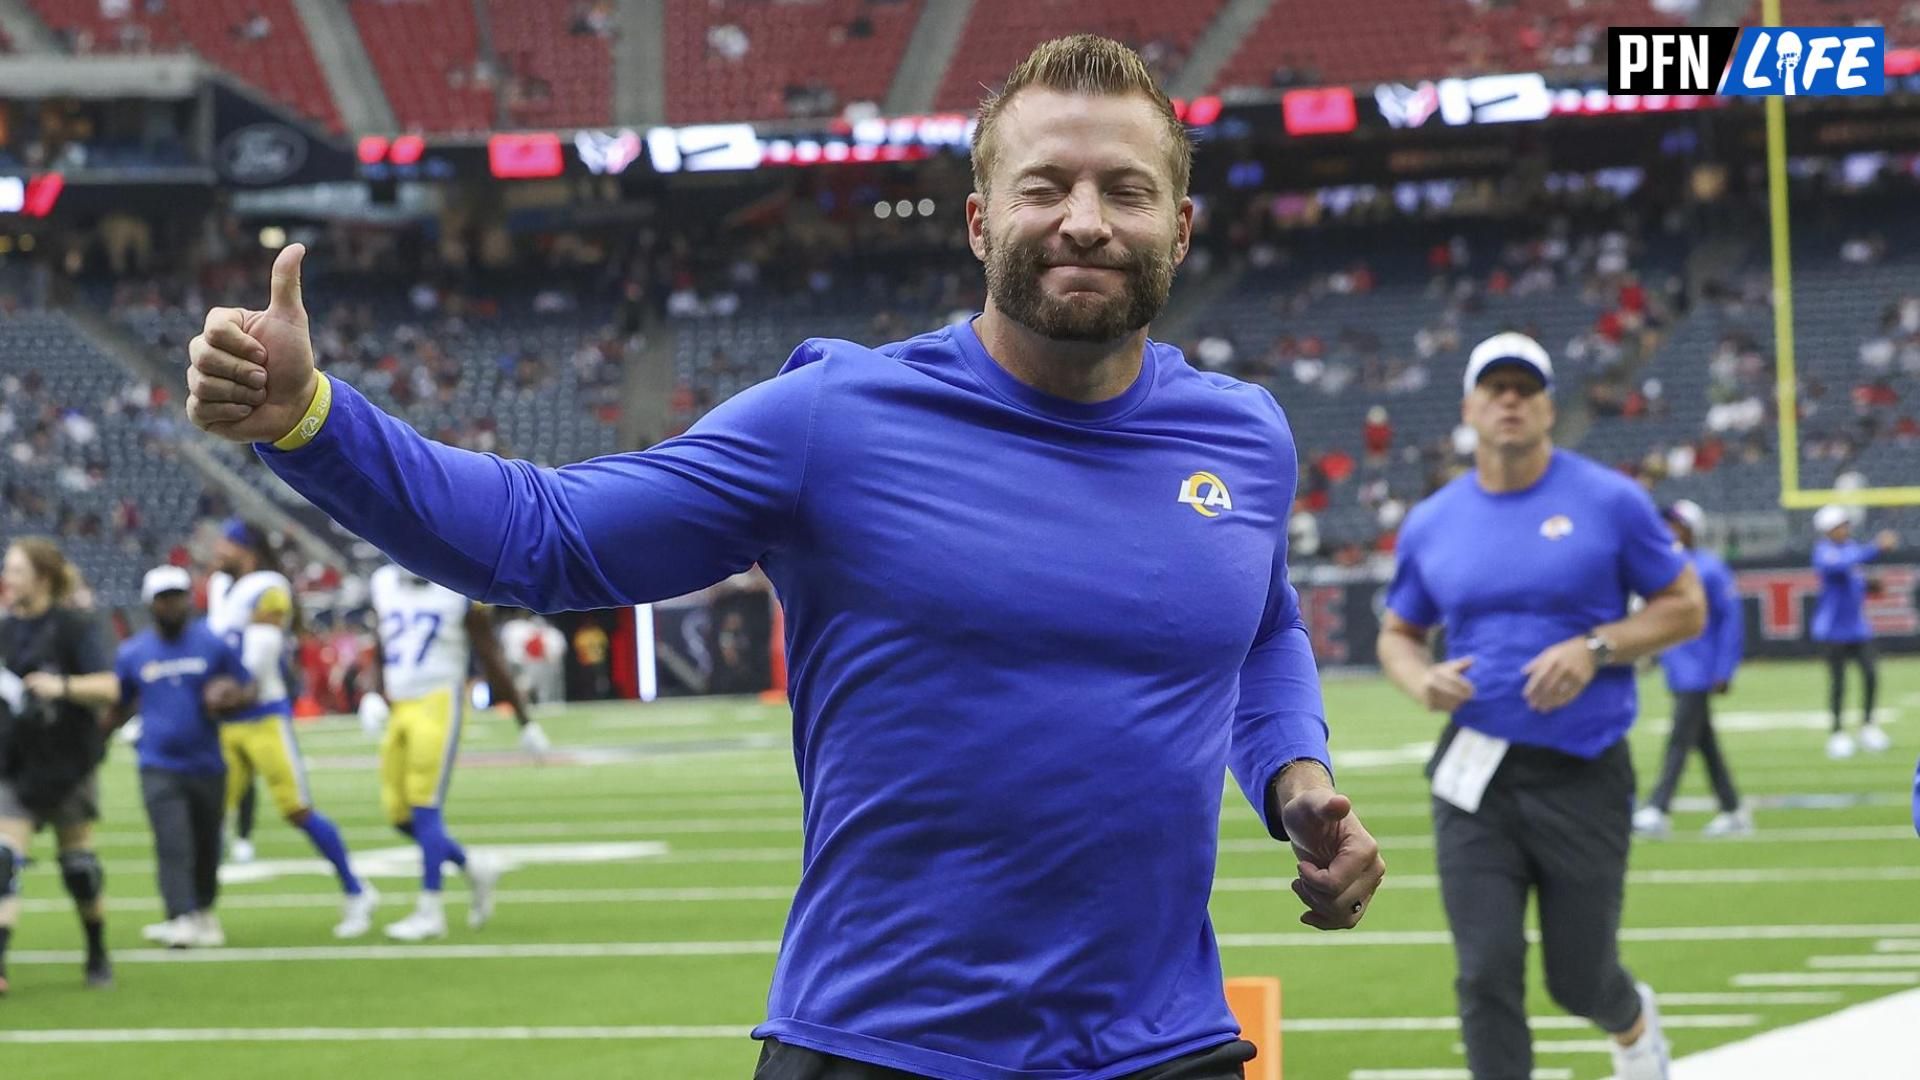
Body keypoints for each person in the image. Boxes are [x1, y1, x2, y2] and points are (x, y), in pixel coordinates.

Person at [186, 35, 1385, 1080]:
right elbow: (540, 539)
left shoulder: (1244, 434)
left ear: (1178, 225)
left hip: (1165, 1047)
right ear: (979, 221)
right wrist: (313, 421)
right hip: (883, 1048)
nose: (1084, 219)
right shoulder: (834, 421)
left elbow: (1264, 624)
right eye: (1046, 186)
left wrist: (1295, 779)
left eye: (1125, 190)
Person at [1376, 332, 1706, 1080]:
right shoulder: (1433, 520)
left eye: (1527, 387)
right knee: (1484, 969)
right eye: (1496, 387)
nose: (1511, 400)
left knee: (1578, 977)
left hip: (1582, 770)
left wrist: (1595, 648)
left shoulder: (1610, 499)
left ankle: (1631, 1023)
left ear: (1550, 406)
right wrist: (1420, 680)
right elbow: (1398, 634)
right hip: (1475, 775)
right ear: (1469, 405)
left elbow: (1685, 607)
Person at [206, 519, 379, 936]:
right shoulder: (219, 587)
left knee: (297, 809)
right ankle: (198, 912)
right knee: (209, 817)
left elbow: (261, 653)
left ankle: (357, 891)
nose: (216, 551)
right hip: (224, 720)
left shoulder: (268, 585)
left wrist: (230, 692)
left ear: (244, 549)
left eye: (224, 544)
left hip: (261, 713)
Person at [359, 562, 547, 941]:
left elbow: (490, 656)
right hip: (400, 703)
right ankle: (472, 865)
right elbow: (381, 644)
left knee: (425, 807)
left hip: (439, 701)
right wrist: (372, 691)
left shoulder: (459, 586)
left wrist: (524, 720)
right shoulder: (383, 583)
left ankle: (430, 910)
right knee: (398, 814)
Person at [0, 537, 121, 994]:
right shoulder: (4, 629)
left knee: (79, 868)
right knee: (3, 862)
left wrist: (61, 686)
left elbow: (110, 686)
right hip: (15, 760)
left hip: (69, 759)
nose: (7, 579)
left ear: (42, 577)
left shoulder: (76, 626)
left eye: (15, 570)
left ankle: (97, 950)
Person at [111, 566, 252, 948]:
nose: (172, 604)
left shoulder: (212, 643)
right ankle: (179, 914)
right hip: (158, 763)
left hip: (207, 761)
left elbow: (245, 685)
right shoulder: (132, 652)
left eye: (178, 595)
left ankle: (203, 909)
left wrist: (230, 697)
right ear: (150, 603)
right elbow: (118, 702)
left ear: (189, 599)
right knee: (172, 840)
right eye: (164, 597)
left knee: (208, 843)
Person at [1634, 500, 1749, 839]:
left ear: (1691, 529)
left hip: (1700, 669)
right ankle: (1731, 809)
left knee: (1679, 741)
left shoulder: (1710, 569)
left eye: (1677, 524)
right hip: (1679, 667)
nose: (1670, 530)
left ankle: (1658, 807)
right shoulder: (1669, 567)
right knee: (1703, 743)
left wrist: (1724, 669)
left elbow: (1731, 623)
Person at [1809, 505, 1898, 759]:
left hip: (1857, 628)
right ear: (1828, 530)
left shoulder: (1850, 549)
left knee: (1871, 675)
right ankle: (1837, 733)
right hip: (1832, 630)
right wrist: (1876, 547)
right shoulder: (1823, 552)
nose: (1845, 529)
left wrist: (1869, 585)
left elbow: (1853, 576)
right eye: (1839, 526)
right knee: (1839, 683)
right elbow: (1839, 567)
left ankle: (1868, 726)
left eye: (1845, 525)